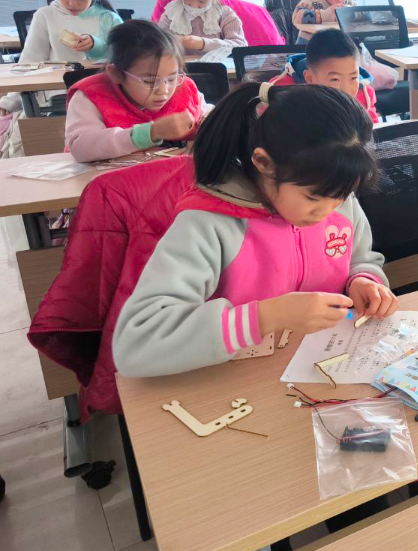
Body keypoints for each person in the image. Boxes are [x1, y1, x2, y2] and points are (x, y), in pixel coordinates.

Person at [113, 82, 396, 377]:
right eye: (313, 198)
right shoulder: (208, 223)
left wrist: (363, 280)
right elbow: (135, 345)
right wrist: (266, 317)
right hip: (231, 381)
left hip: (320, 368)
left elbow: (360, 259)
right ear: (263, 162)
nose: (327, 211)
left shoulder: (335, 195)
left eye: (342, 195)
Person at [65, 20, 210, 162]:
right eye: (149, 81)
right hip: (107, 176)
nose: (163, 90)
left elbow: (208, 114)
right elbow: (81, 148)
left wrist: (210, 123)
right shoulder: (91, 95)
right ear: (116, 74)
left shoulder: (185, 88)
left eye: (172, 78)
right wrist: (151, 133)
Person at [269, 28, 380, 124]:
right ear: (310, 78)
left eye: (353, 78)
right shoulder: (282, 92)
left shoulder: (364, 94)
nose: (346, 89)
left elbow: (372, 131)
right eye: (335, 79)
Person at [157, 0, 247, 60]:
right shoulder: (172, 13)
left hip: (216, 67)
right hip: (180, 67)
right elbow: (158, 44)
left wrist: (202, 43)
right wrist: (171, 42)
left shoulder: (224, 14)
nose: (194, 5)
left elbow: (240, 47)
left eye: (202, 0)